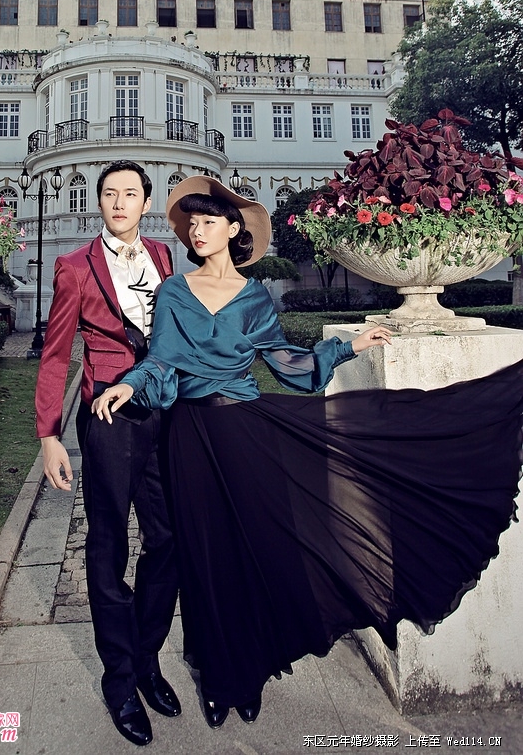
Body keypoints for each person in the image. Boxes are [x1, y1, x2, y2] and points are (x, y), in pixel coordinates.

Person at [93, 175, 523, 730]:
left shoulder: (254, 297)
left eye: (208, 222)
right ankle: (218, 678)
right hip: (190, 438)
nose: (197, 231)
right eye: (191, 223)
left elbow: (286, 362)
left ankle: (249, 672)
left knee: (253, 551)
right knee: (203, 558)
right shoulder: (174, 291)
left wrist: (348, 346)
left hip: (245, 431)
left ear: (233, 229)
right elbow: (163, 360)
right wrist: (130, 384)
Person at [35, 160, 179, 747]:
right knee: (108, 545)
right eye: (110, 193)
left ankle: (147, 659)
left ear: (146, 202)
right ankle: (119, 679)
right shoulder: (74, 267)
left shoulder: (164, 257)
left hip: (162, 414)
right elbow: (55, 354)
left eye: (130, 193)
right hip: (107, 419)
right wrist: (49, 434)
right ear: (99, 202)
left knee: (169, 540)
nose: (120, 202)